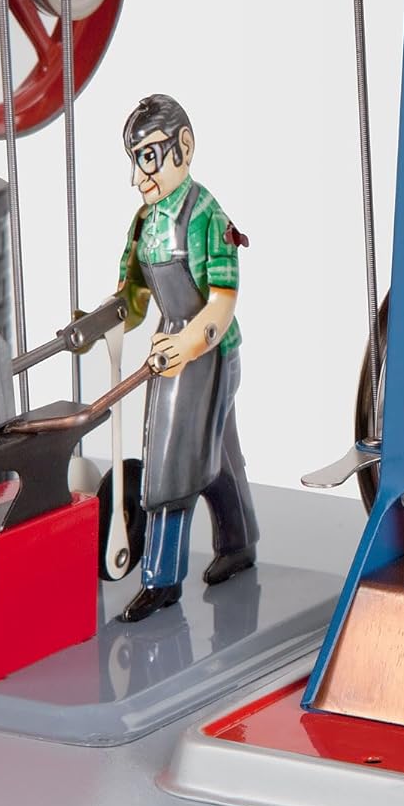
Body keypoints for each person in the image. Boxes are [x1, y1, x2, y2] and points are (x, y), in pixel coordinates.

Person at [114, 94, 258, 623]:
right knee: (214, 456)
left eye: (149, 158)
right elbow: (131, 299)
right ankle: (240, 541)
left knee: (171, 461)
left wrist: (189, 344)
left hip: (209, 353)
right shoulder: (144, 223)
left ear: (185, 146)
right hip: (170, 347)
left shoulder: (207, 217)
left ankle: (161, 579)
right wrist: (93, 326)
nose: (139, 177)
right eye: (135, 161)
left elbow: (222, 302)